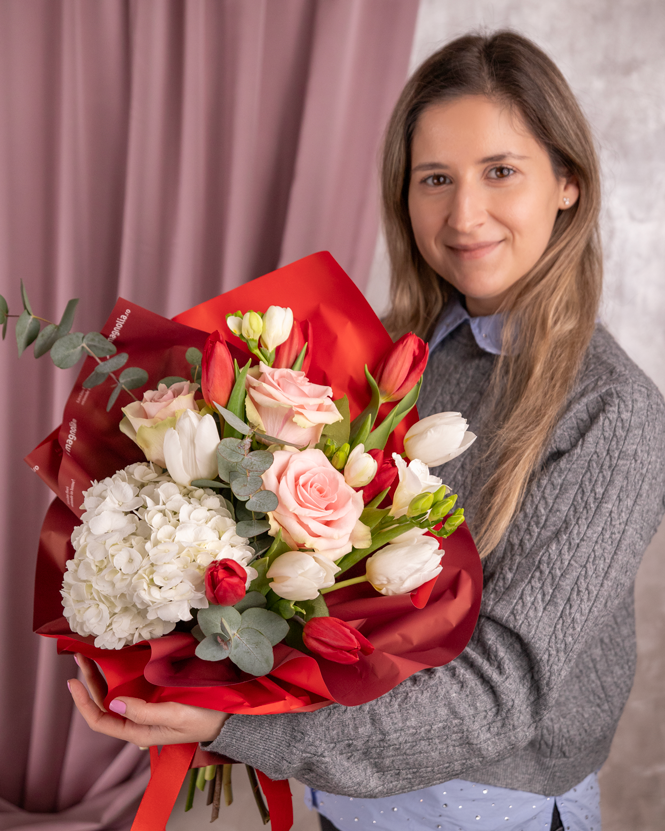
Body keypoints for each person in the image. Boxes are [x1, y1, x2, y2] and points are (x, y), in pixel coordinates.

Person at [69, 31, 665, 831]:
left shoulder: (610, 412)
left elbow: (503, 689)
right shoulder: (387, 357)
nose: (463, 214)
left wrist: (237, 726)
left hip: (490, 812)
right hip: (347, 796)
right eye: (434, 179)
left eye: (500, 172)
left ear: (566, 183)